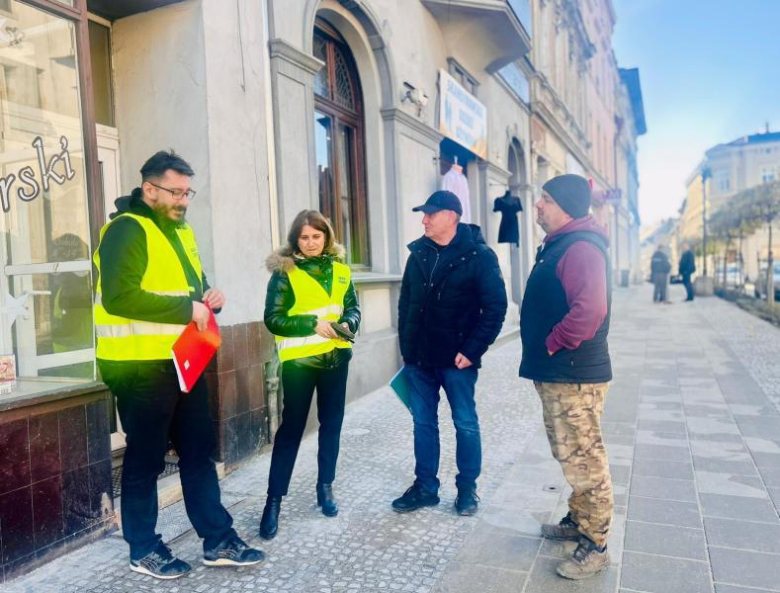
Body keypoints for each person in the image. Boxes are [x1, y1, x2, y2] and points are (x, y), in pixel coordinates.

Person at [94, 150, 264, 579]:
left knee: (198, 451)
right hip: (138, 365)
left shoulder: (180, 231)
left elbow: (193, 287)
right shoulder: (125, 230)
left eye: (188, 192)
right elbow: (119, 297)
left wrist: (210, 297)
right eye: (176, 192)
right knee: (146, 459)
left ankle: (218, 539)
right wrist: (188, 309)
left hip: (183, 358)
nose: (184, 200)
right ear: (149, 189)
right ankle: (143, 549)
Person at [518, 174, 613, 580]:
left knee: (585, 458)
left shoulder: (580, 247)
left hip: (574, 375)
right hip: (560, 374)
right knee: (570, 453)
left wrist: (552, 343)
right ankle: (579, 519)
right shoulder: (561, 243)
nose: (538, 205)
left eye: (546, 199)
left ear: (567, 207)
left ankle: (597, 544)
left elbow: (590, 311)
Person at [392, 190, 507, 516]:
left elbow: (495, 308)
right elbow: (405, 304)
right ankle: (425, 488)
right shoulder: (418, 254)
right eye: (424, 214)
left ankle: (467, 489)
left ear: (452, 216)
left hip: (457, 361)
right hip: (419, 359)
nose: (424, 220)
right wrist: (407, 347)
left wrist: (472, 350)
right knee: (423, 424)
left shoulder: (479, 256)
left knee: (465, 423)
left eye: (431, 214)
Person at [259, 210, 361, 540]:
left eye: (317, 236)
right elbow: (273, 319)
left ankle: (325, 488)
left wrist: (349, 323)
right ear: (296, 240)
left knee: (332, 426)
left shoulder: (341, 270)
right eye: (304, 237)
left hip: (337, 359)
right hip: (300, 364)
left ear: (326, 237)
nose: (311, 242)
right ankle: (273, 502)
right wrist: (311, 324)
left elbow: (353, 308)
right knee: (291, 431)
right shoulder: (284, 273)